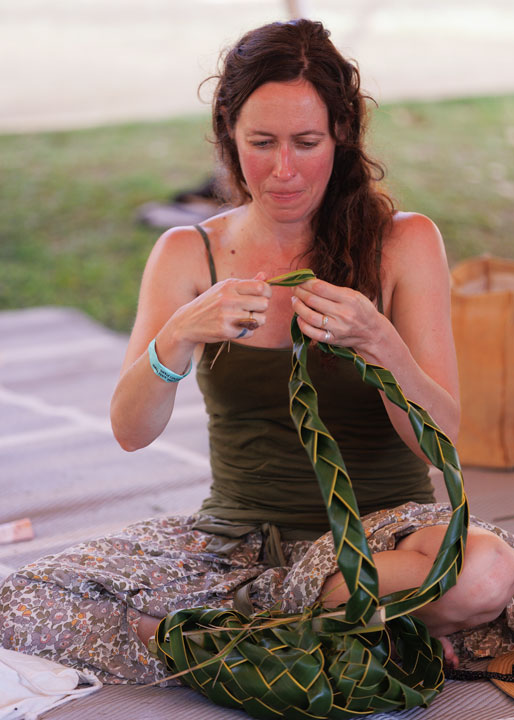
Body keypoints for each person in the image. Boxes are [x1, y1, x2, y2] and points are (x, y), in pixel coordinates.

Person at [1, 19, 513, 685]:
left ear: (342, 137)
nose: (284, 169)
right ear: (227, 136)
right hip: (232, 545)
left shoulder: (402, 241)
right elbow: (130, 431)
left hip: (385, 535)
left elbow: (438, 439)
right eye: (261, 143)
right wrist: (178, 335)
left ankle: (228, 630)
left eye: (307, 142)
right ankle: (341, 630)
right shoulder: (190, 252)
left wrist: (379, 342)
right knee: (25, 603)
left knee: (485, 573)